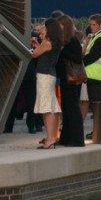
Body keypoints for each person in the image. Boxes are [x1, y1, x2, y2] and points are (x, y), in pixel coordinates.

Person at [32, 18, 62, 149]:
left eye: (44, 27)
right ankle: (52, 137)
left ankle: (50, 138)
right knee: (50, 106)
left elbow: (34, 54)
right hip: (50, 75)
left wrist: (38, 44)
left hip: (44, 76)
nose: (42, 29)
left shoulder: (47, 43)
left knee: (46, 108)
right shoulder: (55, 43)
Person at [55, 14, 84, 147]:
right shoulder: (65, 41)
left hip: (71, 79)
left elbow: (78, 58)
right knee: (66, 109)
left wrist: (62, 52)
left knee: (72, 109)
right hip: (64, 78)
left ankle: (77, 139)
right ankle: (66, 138)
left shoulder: (72, 40)